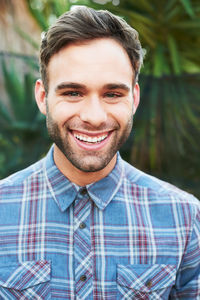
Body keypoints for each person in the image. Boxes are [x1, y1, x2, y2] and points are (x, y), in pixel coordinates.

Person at [0, 6, 199, 300]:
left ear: (134, 98)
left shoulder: (184, 217)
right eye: (73, 93)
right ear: (43, 98)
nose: (94, 116)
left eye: (112, 94)